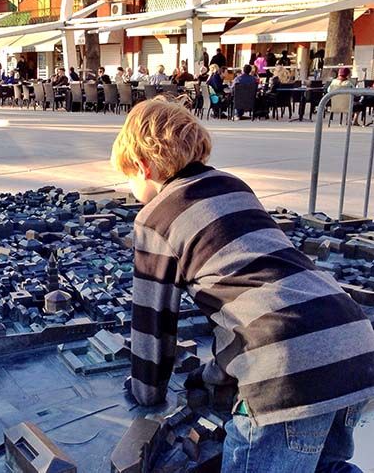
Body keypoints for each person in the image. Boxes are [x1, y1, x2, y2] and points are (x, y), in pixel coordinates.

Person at [111, 98, 374, 473]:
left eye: (128, 176)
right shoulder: (234, 186)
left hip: (286, 366)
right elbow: (258, 296)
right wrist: (211, 376)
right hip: (354, 341)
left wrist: (145, 392)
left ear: (143, 165)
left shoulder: (154, 218)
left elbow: (153, 325)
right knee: (326, 467)